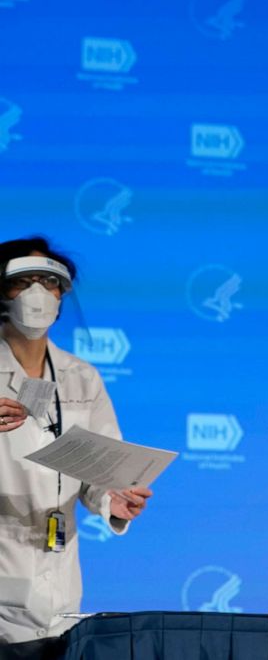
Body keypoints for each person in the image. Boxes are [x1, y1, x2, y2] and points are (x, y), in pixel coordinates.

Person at [0, 238, 152, 659]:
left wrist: (113, 499)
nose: (36, 294)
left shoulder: (80, 376)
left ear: (62, 293)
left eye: (48, 281)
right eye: (22, 282)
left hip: (59, 588)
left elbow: (101, 467)